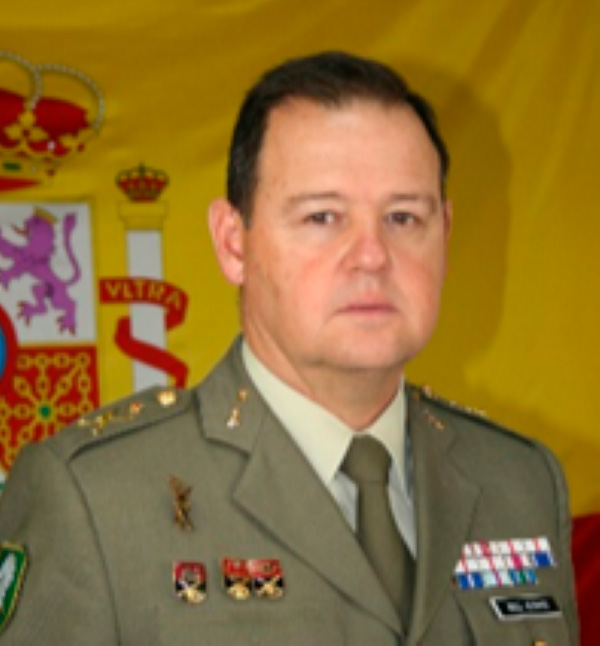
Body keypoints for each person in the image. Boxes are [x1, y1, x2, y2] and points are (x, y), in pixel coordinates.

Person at [0, 51, 578, 645]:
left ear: (446, 237)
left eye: (403, 218)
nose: (372, 255)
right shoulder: (93, 498)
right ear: (233, 243)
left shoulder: (519, 482)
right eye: (323, 217)